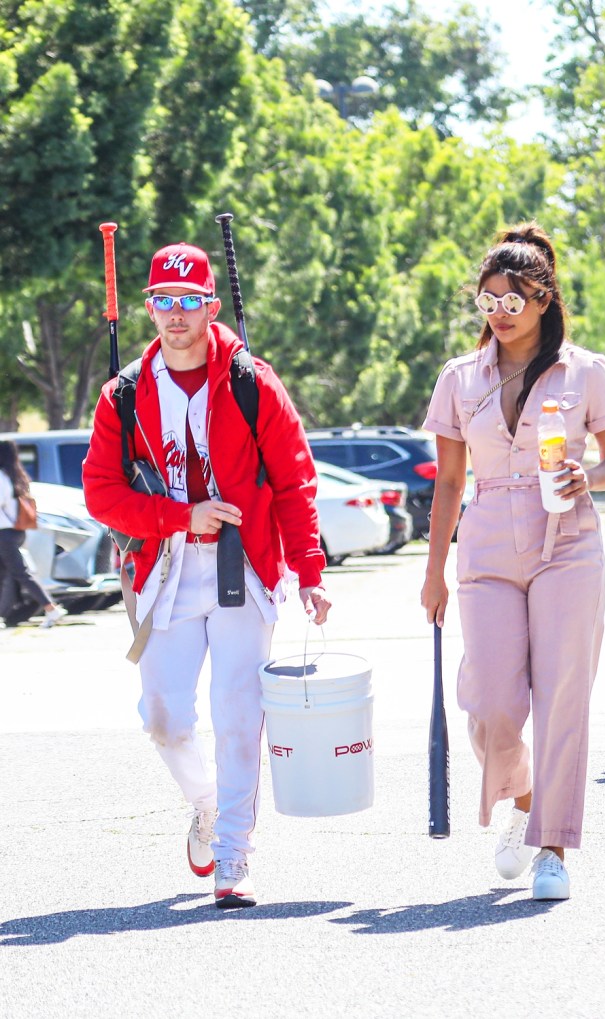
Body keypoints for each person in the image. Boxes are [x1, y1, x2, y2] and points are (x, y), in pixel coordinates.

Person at [83, 241, 331, 909]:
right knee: (163, 715)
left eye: (188, 301)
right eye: (163, 301)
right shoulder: (125, 393)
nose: (175, 315)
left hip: (244, 566)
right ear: (149, 307)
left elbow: (294, 478)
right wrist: (178, 516)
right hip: (163, 565)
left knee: (239, 710)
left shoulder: (252, 380)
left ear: (211, 306)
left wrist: (309, 567)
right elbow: (102, 493)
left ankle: (233, 852)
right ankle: (208, 806)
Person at [420, 222, 605, 901]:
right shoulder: (460, 378)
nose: (500, 314)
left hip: (567, 542)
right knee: (489, 703)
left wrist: (586, 476)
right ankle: (527, 795)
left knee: (563, 699)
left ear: (544, 299)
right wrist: (433, 572)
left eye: (512, 301)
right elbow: (449, 482)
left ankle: (552, 848)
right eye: (487, 301)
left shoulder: (587, 370)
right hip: (484, 547)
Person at [0, 440, 67, 629]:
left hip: (4, 534)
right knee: (5, 574)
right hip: (16, 532)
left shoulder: (1, 477)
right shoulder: (17, 477)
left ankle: (51, 608)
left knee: (21, 573)